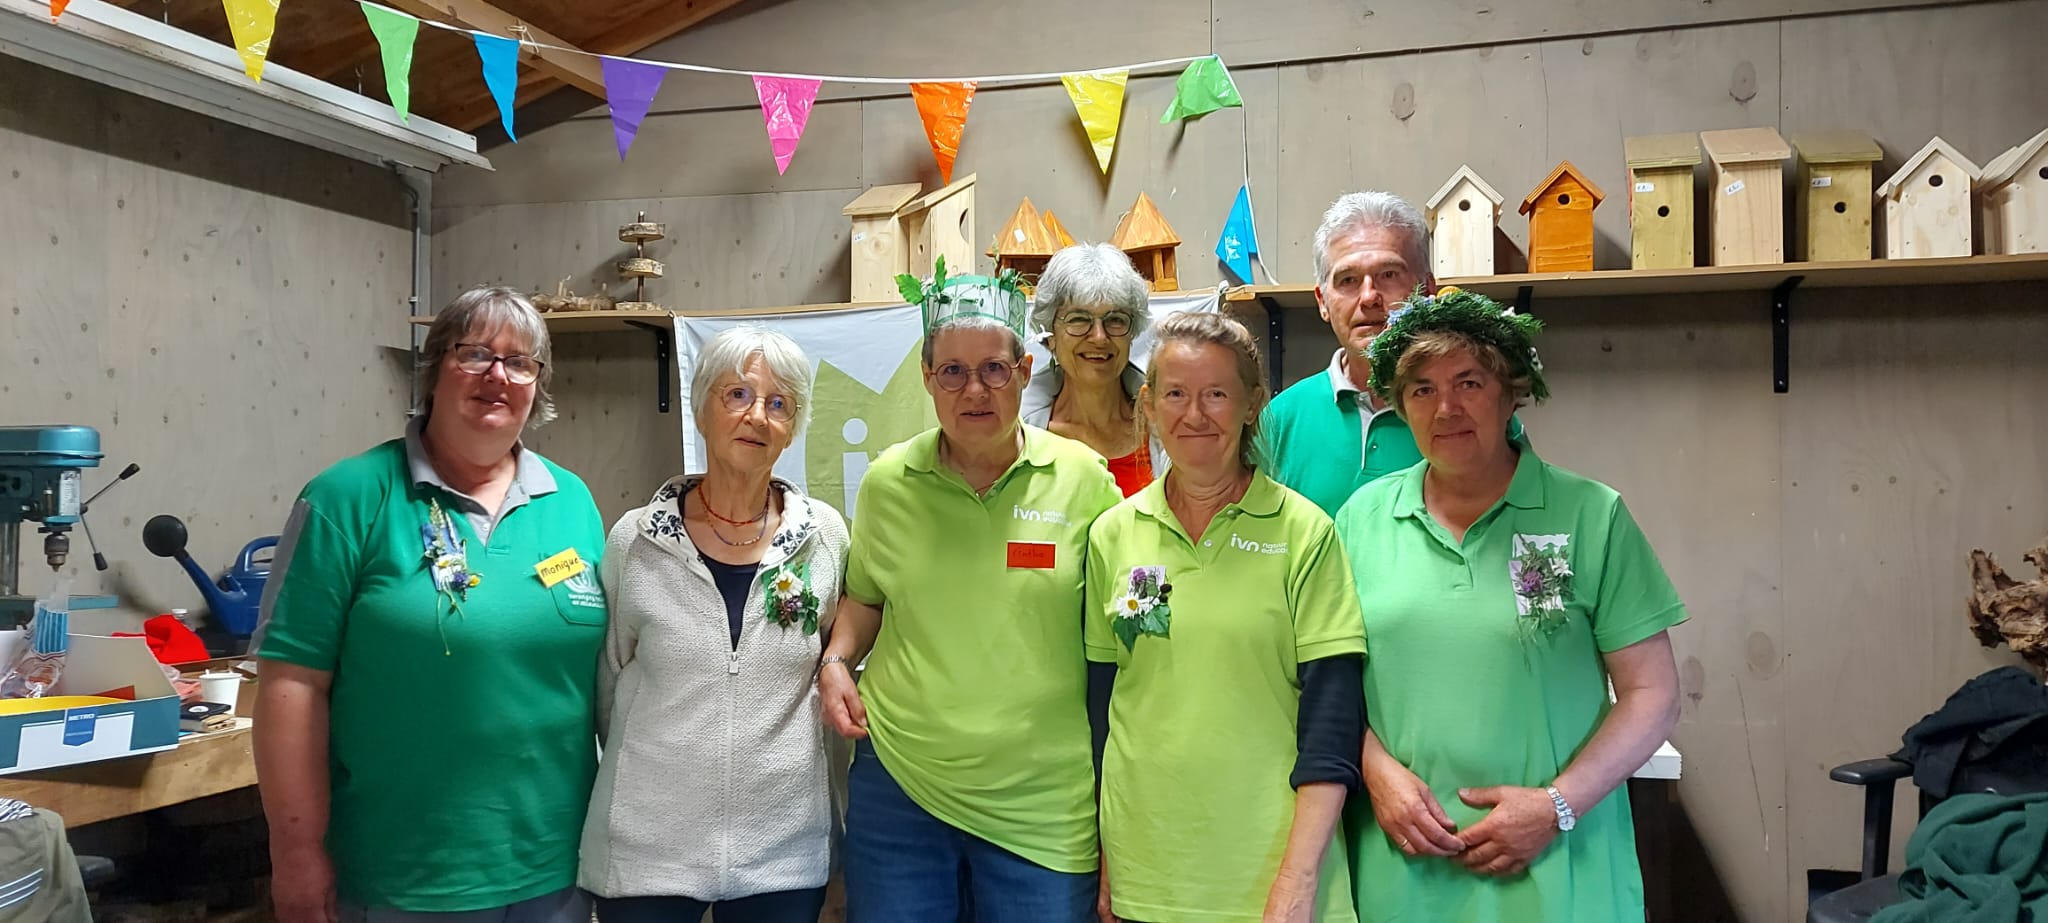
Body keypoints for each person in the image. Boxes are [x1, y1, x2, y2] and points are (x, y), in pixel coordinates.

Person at [254, 286, 607, 923]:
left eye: (520, 362)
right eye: (476, 354)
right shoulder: (345, 500)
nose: (498, 376)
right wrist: (297, 851)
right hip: (403, 876)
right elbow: (291, 685)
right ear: (435, 368)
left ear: (538, 385)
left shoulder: (572, 502)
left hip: (555, 869)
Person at [1334, 288, 1685, 922]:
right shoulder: (1361, 520)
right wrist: (1374, 771)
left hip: (1559, 868)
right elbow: (1328, 685)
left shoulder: (1590, 515)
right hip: (1406, 868)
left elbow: (1652, 694)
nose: (1446, 408)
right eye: (1422, 389)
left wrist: (1557, 805)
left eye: (1468, 382)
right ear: (1399, 407)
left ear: (1509, 390)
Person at [817, 268, 1122, 922]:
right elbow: (866, 598)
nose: (975, 389)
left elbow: (1116, 639)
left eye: (994, 368)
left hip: (1043, 801)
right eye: (952, 371)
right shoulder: (889, 483)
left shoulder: (1085, 482)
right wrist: (836, 660)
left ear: (1025, 367)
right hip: (902, 787)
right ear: (927, 378)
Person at [1085, 312, 1366, 923]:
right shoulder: (1113, 534)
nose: (1194, 415)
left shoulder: (1304, 533)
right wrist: (1107, 860)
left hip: (1269, 875)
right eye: (1176, 395)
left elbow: (1333, 721)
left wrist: (1298, 878)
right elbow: (1103, 715)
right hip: (1148, 871)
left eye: (1216, 394)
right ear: (1149, 405)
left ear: (1250, 405)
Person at [578, 326, 849, 922]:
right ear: (702, 408)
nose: (757, 416)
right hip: (647, 850)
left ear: (793, 426)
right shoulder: (636, 540)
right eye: (738, 395)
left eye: (779, 404)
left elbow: (832, 665)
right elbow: (610, 684)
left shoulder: (823, 537)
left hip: (782, 850)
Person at [1262, 191, 1522, 516]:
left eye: (1388, 275)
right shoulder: (1279, 419)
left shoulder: (1471, 414)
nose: (1369, 297)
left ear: (1427, 289)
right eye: (1348, 280)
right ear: (1322, 302)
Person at [1021, 243, 1163, 495]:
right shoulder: (1017, 431)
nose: (1099, 337)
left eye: (1115, 320)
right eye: (1078, 319)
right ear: (1050, 335)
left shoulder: (1166, 424)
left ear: (1132, 332)